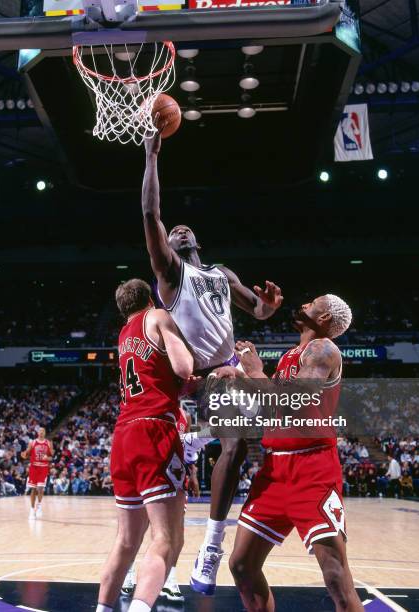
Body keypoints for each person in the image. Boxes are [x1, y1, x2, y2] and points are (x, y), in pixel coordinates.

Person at [142, 128, 283, 594]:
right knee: (238, 440)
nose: (178, 229)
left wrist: (268, 307)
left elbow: (256, 311)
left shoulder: (221, 274)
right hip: (201, 378)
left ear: (197, 238)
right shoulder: (170, 274)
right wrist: (152, 157)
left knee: (244, 444)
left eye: (184, 228)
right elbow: (150, 211)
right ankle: (211, 547)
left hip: (233, 372)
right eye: (172, 230)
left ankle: (197, 451)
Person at [213, 294, 363, 612]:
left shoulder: (323, 349)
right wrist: (239, 379)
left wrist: (254, 372)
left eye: (313, 302)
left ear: (323, 318)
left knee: (336, 577)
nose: (305, 303)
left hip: (313, 468)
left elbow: (298, 401)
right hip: (275, 469)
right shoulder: (289, 357)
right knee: (242, 565)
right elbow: (275, 408)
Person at [96, 279, 193, 612]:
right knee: (166, 538)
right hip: (154, 430)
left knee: (125, 542)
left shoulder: (124, 335)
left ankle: (103, 609)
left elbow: (159, 382)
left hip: (123, 433)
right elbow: (184, 368)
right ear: (150, 298)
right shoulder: (158, 316)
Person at [120, 403, 200, 603]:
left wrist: (194, 474)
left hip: (175, 473)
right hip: (149, 468)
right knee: (138, 529)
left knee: (176, 532)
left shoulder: (185, 415)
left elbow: (187, 447)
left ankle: (169, 579)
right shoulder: (153, 402)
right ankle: (128, 570)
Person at [21, 427, 53, 519]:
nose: (41, 432)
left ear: (45, 433)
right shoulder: (32, 442)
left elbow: (51, 457)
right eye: (40, 431)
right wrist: (24, 455)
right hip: (34, 467)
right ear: (37, 433)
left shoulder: (48, 443)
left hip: (43, 468)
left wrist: (47, 458)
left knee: (40, 487)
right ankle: (31, 509)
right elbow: (27, 453)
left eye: (43, 431)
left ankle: (39, 506)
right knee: (33, 489)